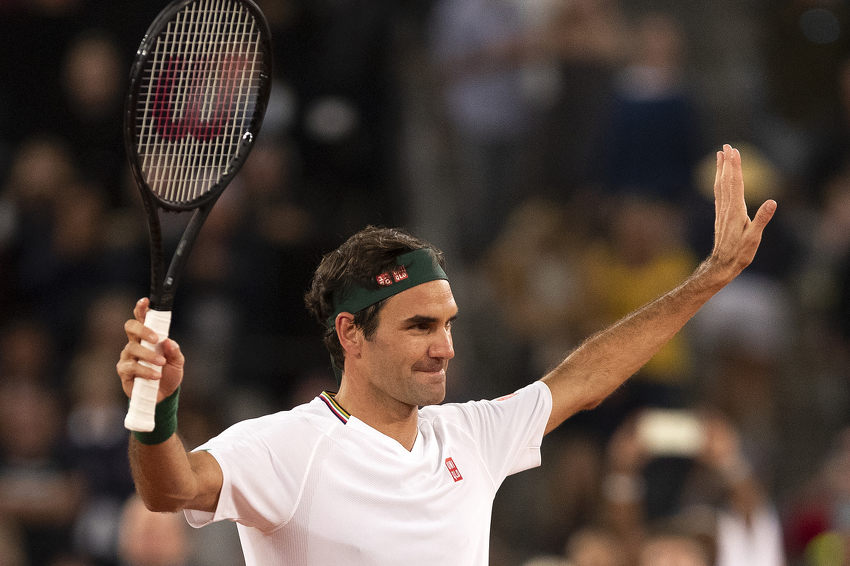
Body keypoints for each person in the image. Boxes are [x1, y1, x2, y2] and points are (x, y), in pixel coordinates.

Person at [115, 145, 776, 565]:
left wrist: (709, 278)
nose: (446, 346)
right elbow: (169, 489)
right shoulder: (288, 445)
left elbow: (585, 380)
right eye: (420, 326)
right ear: (351, 334)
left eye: (449, 323)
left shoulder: (471, 435)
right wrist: (155, 406)